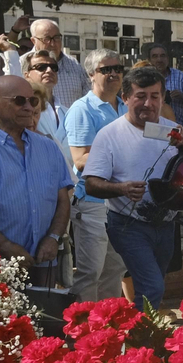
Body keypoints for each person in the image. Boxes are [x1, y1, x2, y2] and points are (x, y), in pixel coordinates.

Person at [82, 66, 183, 310]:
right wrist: (122, 188)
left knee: (152, 288)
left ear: (163, 98)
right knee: (152, 287)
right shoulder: (109, 135)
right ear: (125, 99)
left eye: (155, 96)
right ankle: (138, 343)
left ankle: (141, 339)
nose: (148, 103)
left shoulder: (172, 131)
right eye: (140, 96)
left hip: (166, 222)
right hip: (128, 224)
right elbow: (91, 184)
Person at [0, 76, 74, 285]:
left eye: (33, 101)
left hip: (43, 261)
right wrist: (6, 246)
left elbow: (62, 199)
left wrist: (53, 237)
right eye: (19, 101)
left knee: (44, 316)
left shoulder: (48, 147)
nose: (28, 107)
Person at [66, 50, 127, 301]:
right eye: (105, 69)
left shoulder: (125, 107)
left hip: (121, 202)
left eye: (117, 68)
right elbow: (80, 160)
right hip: (92, 203)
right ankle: (81, 332)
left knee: (115, 270)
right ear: (91, 75)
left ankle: (108, 332)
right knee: (90, 273)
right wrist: (125, 151)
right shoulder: (83, 109)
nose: (113, 73)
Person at [14, 19, 87, 108]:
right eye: (46, 39)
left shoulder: (73, 64)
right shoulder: (21, 63)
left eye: (56, 38)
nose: (52, 44)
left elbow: (85, 95)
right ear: (33, 41)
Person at [147, 42, 183, 125]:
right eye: (155, 56)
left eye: (162, 56)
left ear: (167, 58)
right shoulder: (145, 78)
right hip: (152, 129)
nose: (159, 60)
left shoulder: (179, 76)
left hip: (178, 129)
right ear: (149, 60)